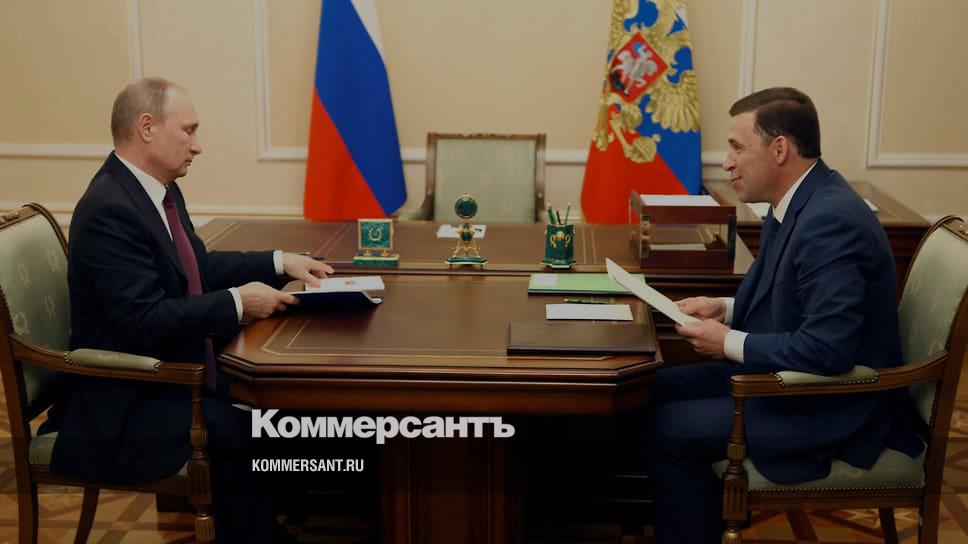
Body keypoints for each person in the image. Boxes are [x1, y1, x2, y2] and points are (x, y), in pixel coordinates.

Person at [47, 77, 331, 542]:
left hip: (176, 373)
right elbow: (145, 320)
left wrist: (281, 262)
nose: (197, 146)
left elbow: (198, 267)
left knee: (294, 409)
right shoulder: (108, 210)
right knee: (247, 432)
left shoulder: (157, 189)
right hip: (128, 399)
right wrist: (240, 302)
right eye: (189, 130)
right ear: (147, 128)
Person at [644, 87, 924, 543]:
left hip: (831, 404)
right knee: (646, 388)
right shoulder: (798, 200)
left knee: (668, 429)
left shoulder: (830, 220)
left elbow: (828, 349)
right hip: (786, 377)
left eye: (737, 148)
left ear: (779, 149)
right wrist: (725, 309)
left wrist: (726, 341)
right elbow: (794, 299)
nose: (726, 163)